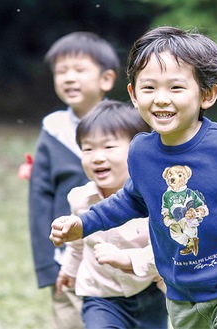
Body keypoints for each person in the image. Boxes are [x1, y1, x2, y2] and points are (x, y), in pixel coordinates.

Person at [49, 26, 217, 329]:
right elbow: (130, 200)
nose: (161, 99)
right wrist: (84, 224)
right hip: (181, 295)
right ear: (133, 94)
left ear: (207, 94)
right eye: (149, 88)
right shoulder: (141, 152)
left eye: (176, 88)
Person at [29, 31, 120, 329]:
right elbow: (40, 198)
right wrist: (46, 264)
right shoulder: (53, 130)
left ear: (106, 79)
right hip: (66, 259)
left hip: (118, 255)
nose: (69, 78)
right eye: (61, 71)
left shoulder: (126, 126)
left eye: (79, 70)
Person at [56, 99, 168, 329]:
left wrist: (126, 259)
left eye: (108, 147)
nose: (97, 157)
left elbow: (165, 248)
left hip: (149, 292)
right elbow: (78, 242)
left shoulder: (153, 199)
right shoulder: (79, 199)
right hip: (100, 296)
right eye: (88, 148)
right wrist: (69, 269)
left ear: (138, 152)